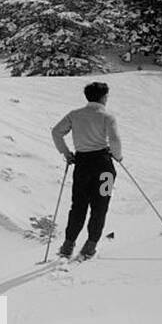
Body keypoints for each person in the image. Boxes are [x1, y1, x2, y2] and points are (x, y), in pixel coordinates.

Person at [50, 81, 122, 259]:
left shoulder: (74, 115)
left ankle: (68, 245)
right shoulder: (107, 117)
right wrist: (117, 156)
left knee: (79, 206)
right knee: (101, 206)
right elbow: (114, 140)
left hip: (82, 165)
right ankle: (90, 245)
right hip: (104, 165)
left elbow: (56, 132)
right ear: (104, 97)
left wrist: (67, 154)